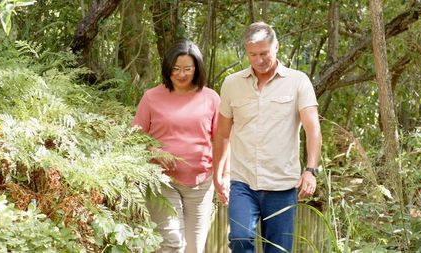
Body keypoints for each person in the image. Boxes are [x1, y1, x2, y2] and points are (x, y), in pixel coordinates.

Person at [212, 22, 322, 253]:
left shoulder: (298, 81)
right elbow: (222, 133)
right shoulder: (232, 84)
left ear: (276, 47)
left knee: (279, 250)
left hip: (281, 186)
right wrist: (218, 173)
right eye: (253, 54)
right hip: (242, 182)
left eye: (264, 53)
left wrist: (310, 170)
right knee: (240, 239)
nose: (259, 60)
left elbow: (313, 130)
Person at [133, 40, 220, 253]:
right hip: (162, 181)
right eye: (176, 69)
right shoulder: (151, 97)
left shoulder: (211, 98)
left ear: (197, 69)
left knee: (194, 248)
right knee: (171, 243)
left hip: (200, 184)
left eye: (187, 69)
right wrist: (153, 151)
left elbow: (221, 141)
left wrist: (222, 177)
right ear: (168, 68)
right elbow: (134, 138)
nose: (181, 74)